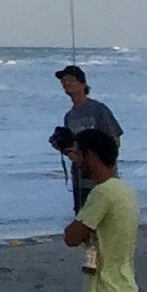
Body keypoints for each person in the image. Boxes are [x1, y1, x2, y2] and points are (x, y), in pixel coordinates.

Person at [61, 127, 141, 292]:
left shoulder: (102, 193)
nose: (76, 161)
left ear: (92, 155)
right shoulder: (125, 190)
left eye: (79, 155)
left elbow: (72, 236)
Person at [49, 64, 123, 214]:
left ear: (83, 84)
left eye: (70, 79)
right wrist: (64, 149)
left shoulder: (99, 109)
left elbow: (115, 141)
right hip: (80, 179)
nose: (66, 83)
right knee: (83, 222)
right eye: (63, 81)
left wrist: (100, 165)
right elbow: (72, 148)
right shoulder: (69, 116)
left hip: (102, 179)